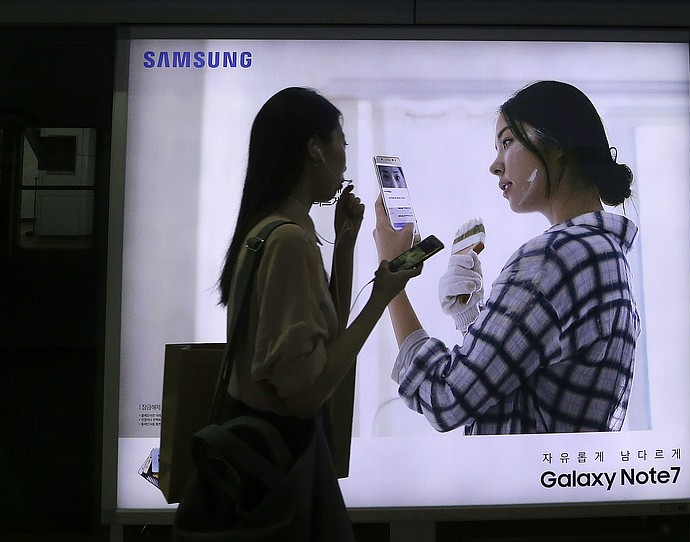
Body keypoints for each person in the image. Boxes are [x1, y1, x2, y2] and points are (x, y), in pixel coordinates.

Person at [373, 80, 641, 436]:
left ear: (556, 142)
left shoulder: (551, 259)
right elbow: (524, 387)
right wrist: (471, 317)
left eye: (507, 142)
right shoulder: (606, 255)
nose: (495, 165)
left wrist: (393, 281)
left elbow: (447, 398)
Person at [216, 87, 421, 536]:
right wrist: (382, 298)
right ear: (315, 147)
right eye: (341, 141)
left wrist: (344, 245)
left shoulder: (269, 228)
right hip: (283, 468)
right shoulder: (289, 240)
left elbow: (323, 344)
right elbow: (307, 395)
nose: (345, 157)